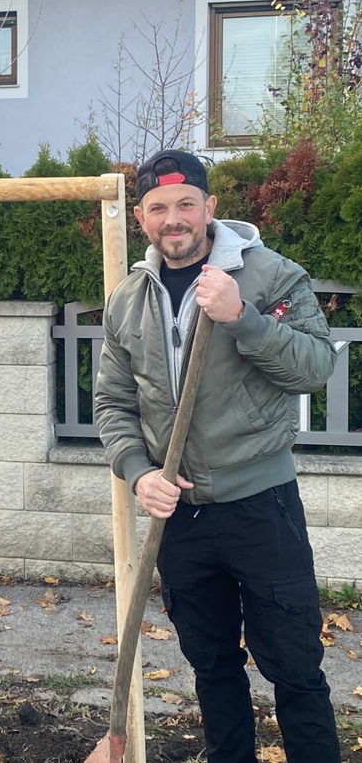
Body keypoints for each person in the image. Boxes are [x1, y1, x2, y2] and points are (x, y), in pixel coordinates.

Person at [94, 149, 341, 763]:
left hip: (262, 508)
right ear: (141, 219)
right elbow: (112, 403)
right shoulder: (129, 298)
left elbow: (315, 368)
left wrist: (243, 319)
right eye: (157, 208)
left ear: (210, 207)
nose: (172, 219)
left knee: (295, 668)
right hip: (180, 516)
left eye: (185, 205)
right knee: (213, 669)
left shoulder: (270, 276)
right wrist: (138, 472)